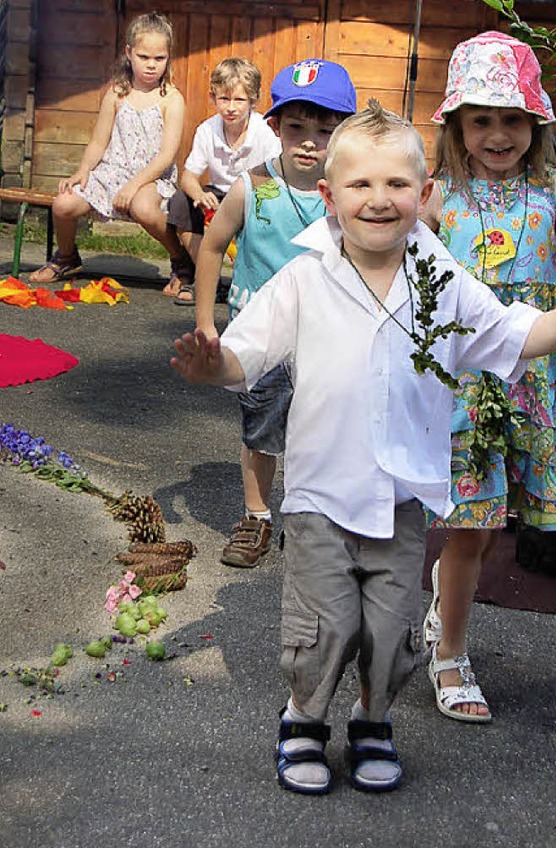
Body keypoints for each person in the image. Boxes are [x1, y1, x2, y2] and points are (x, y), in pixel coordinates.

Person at [171, 101, 556, 795]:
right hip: (322, 495)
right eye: (359, 185)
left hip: (403, 499)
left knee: (389, 633)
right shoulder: (304, 277)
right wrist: (215, 367)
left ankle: (374, 718)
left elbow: (512, 335)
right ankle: (303, 718)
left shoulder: (441, 278)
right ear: (329, 195)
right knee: (323, 629)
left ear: (423, 194)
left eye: (396, 185)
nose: (379, 200)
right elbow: (246, 354)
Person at [421, 31, 556, 723]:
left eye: (512, 118)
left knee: (491, 524)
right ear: (456, 125)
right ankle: (450, 653)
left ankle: (441, 596)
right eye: (481, 119)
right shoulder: (438, 192)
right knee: (469, 523)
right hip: (463, 374)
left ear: (536, 124)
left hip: (541, 368)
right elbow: (398, 269)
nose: (497, 133)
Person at [193, 58, 356, 567]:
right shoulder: (253, 186)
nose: (310, 142)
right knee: (260, 431)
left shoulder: (349, 195)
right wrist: (204, 321)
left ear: (344, 132)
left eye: (325, 131)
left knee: (323, 429)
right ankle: (257, 516)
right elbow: (212, 246)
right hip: (262, 339)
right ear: (275, 127)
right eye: (296, 128)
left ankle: (313, 521)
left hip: (325, 336)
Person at [29, 11, 188, 285]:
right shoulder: (117, 92)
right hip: (112, 172)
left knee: (145, 209)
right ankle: (67, 258)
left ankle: (181, 260)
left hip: (152, 178)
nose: (151, 65)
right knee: (63, 203)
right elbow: (98, 142)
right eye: (144, 57)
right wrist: (83, 169)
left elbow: (166, 156)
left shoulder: (171, 99)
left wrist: (133, 186)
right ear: (129, 53)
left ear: (168, 57)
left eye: (159, 58)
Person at [164, 57, 281, 304]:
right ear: (212, 98)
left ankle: (254, 279)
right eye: (224, 99)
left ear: (253, 101)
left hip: (255, 191)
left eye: (239, 100)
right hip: (218, 194)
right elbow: (189, 177)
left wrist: (239, 201)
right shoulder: (208, 129)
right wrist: (198, 195)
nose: (231, 107)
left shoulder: (264, 130)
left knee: (270, 206)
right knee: (180, 202)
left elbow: (274, 175)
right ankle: (208, 276)